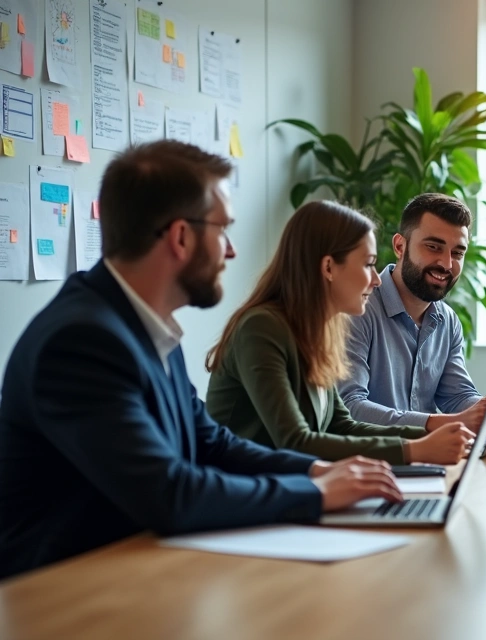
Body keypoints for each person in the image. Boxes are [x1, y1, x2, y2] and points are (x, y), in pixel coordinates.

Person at [0, 141, 402, 580]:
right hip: (65, 593)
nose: (230, 251)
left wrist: (320, 469)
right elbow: (170, 492)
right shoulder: (81, 341)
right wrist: (315, 491)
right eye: (223, 230)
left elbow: (213, 444)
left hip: (139, 568)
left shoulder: (142, 325)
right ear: (181, 237)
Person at [205, 201, 474, 465]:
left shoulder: (317, 331)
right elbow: (296, 440)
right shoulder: (261, 328)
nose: (377, 279)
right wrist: (415, 449)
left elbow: (341, 424)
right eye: (368, 264)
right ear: (329, 268)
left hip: (287, 487)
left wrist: (428, 438)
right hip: (247, 496)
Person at [339, 193, 486, 430]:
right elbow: (350, 406)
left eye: (457, 253)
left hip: (428, 457)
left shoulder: (448, 321)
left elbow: (457, 396)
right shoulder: (358, 310)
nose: (446, 264)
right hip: (373, 458)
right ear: (400, 246)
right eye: (433, 247)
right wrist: (436, 423)